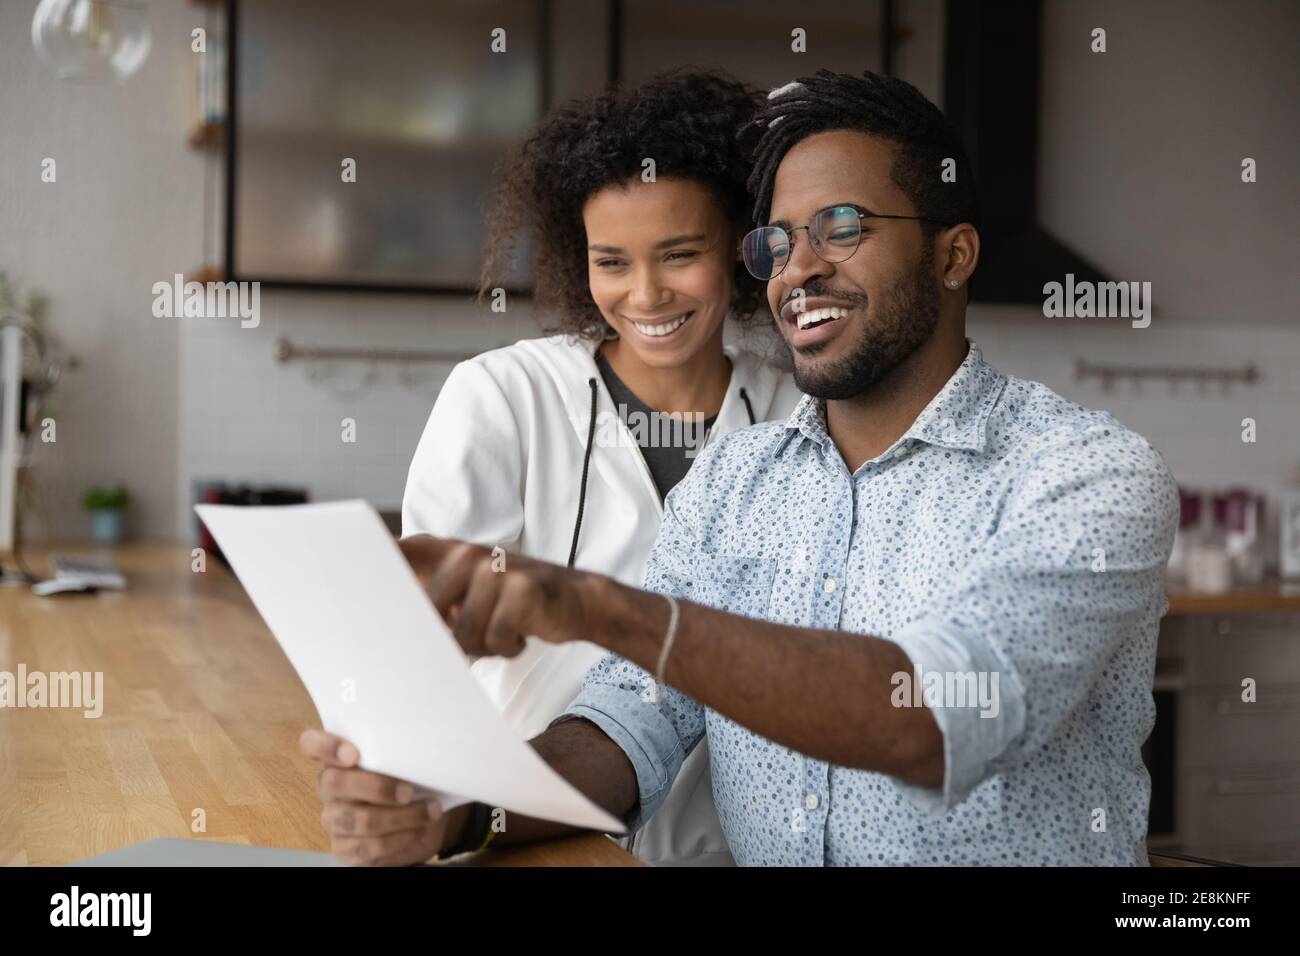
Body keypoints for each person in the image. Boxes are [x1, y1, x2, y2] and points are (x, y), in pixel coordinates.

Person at [302, 70, 1178, 866]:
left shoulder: (1085, 474)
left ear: (953, 254)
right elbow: (633, 723)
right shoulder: (735, 480)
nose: (798, 269)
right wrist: (458, 813)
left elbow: (933, 718)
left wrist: (601, 607)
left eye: (842, 228)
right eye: (777, 242)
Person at [384, 69, 799, 866]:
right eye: (612, 262)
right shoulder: (502, 396)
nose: (645, 294)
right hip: (526, 836)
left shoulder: (794, 419)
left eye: (680, 255)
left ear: (739, 251)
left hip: (726, 852)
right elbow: (430, 640)